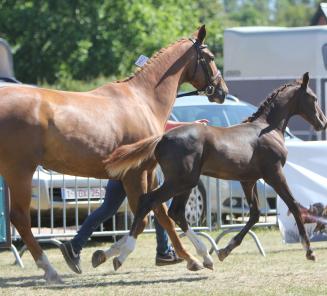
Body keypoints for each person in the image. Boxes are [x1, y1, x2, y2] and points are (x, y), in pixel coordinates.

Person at [60, 119, 208, 274]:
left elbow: (161, 126)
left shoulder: (140, 111)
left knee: (109, 209)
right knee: (154, 211)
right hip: (138, 168)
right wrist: (189, 125)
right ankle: (164, 251)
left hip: (125, 167)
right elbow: (161, 127)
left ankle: (76, 245)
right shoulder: (145, 112)